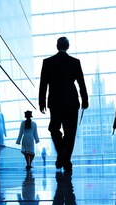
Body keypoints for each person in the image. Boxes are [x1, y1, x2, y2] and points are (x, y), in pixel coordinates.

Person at [39, 36, 89, 172]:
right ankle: (66, 158)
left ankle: (61, 152)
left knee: (54, 128)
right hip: (72, 102)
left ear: (57, 46)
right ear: (68, 46)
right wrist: (85, 99)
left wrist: (41, 101)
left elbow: (43, 83)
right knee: (70, 132)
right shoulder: (75, 62)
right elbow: (81, 82)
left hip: (55, 102)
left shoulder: (48, 62)